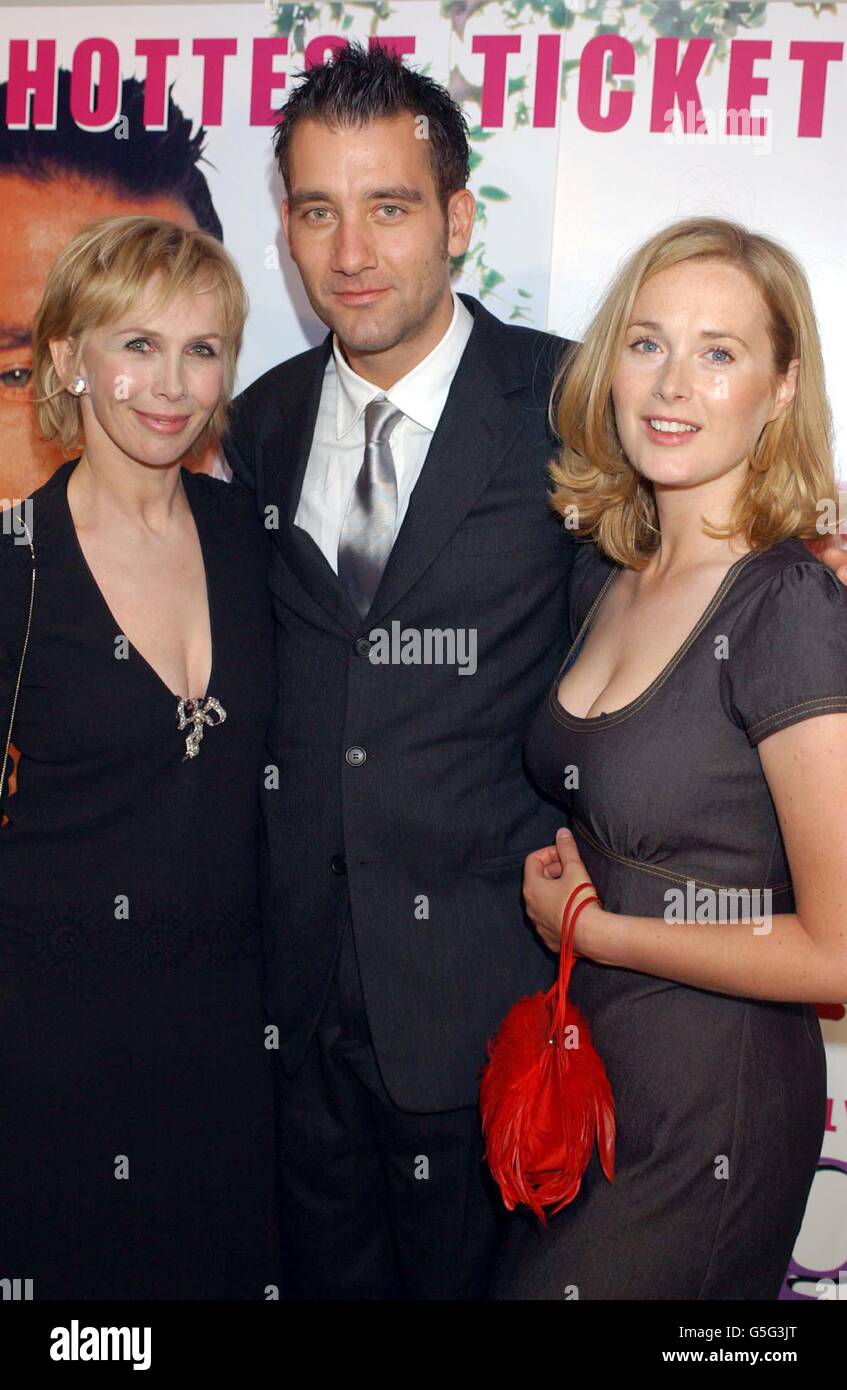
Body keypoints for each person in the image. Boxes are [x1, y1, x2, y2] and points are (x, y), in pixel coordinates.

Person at [223, 45, 847, 1299]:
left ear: (457, 217)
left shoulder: (575, 403)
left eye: (390, 206)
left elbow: (715, 635)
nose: (352, 251)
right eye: (316, 210)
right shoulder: (261, 418)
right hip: (296, 1007)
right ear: (282, 228)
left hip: (500, 1022)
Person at [489, 217, 847, 1300]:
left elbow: (836, 954)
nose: (671, 383)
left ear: (782, 388)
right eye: (646, 343)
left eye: (718, 351)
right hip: (588, 1078)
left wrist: (600, 929)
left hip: (711, 1104)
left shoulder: (787, 606)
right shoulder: (610, 571)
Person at [0, 215, 279, 1299]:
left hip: (229, 1046)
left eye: (201, 349)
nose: (171, 383)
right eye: (135, 344)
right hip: (50, 1047)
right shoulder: (13, 566)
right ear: (68, 358)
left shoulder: (258, 543)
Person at [0, 70, 225, 501]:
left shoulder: (248, 540)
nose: (165, 393)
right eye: (18, 374)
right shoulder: (17, 559)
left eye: (198, 348)